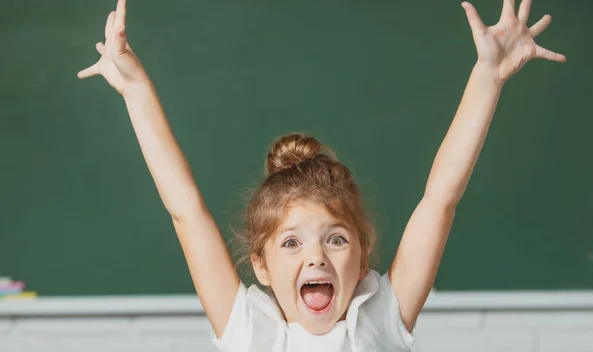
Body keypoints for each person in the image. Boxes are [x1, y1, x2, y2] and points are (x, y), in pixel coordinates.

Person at [78, 0, 565, 350]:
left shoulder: (380, 319)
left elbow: (440, 198)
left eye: (336, 239)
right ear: (262, 266)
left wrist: (488, 77)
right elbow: (186, 209)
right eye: (291, 243)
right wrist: (136, 89)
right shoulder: (250, 331)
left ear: (363, 253)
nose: (316, 258)